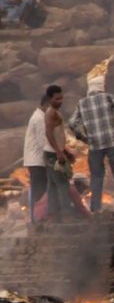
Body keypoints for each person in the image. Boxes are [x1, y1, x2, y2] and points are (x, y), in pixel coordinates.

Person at [68, 74, 114, 217]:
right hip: (113, 143)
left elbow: (72, 123)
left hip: (95, 146)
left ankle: (96, 210)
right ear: (101, 87)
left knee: (97, 178)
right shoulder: (107, 98)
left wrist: (84, 138)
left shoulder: (82, 103)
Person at [43, 85, 72, 220]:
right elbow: (48, 134)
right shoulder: (50, 113)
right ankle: (66, 215)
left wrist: (64, 150)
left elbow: (57, 133)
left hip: (53, 152)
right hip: (52, 155)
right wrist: (58, 152)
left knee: (53, 185)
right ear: (50, 99)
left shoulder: (55, 111)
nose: (60, 101)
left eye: (61, 98)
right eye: (57, 99)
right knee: (62, 184)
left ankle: (52, 214)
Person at [23, 90, 51, 221]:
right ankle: (37, 219)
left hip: (35, 160)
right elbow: (43, 142)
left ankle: (37, 217)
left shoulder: (38, 116)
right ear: (46, 104)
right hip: (37, 161)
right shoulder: (39, 118)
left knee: (38, 190)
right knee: (39, 190)